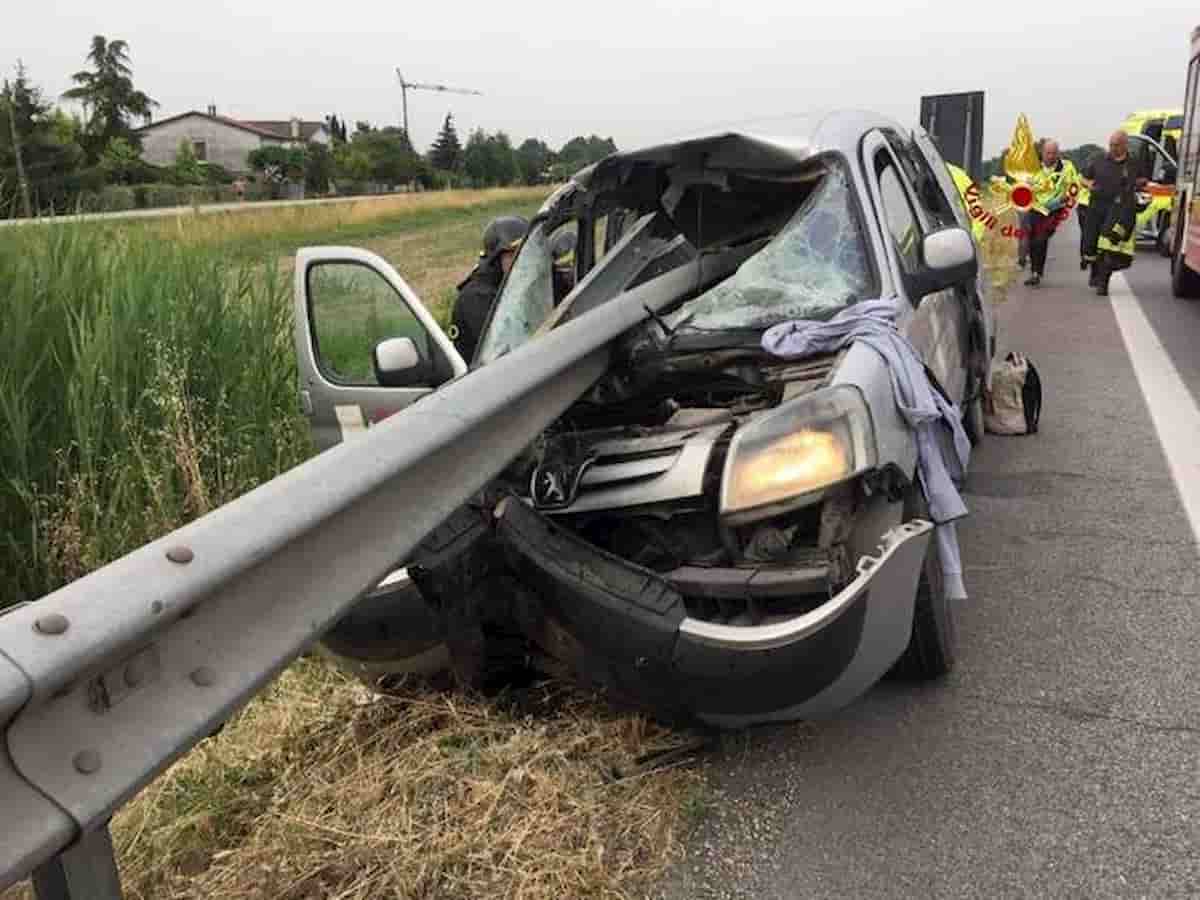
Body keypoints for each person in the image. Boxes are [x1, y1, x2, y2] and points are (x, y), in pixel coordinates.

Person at [449, 215, 528, 362]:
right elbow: (505, 352)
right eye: (514, 253)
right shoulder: (476, 298)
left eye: (525, 251)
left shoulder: (507, 284)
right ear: (496, 258)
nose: (521, 259)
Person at [1081, 131, 1147, 292]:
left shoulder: (1134, 163)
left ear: (1125, 145)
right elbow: (1083, 178)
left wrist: (1137, 184)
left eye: (1116, 145)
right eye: (1111, 144)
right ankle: (1095, 270)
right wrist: (1089, 185)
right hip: (1096, 207)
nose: (1112, 148)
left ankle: (1103, 281)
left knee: (1110, 244)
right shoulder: (1098, 160)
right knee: (1090, 245)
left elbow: (1145, 179)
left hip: (1119, 209)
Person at [1023, 140, 1076, 287]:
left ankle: (1036, 273)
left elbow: (1074, 185)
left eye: (1054, 153)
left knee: (1041, 238)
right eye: (1048, 153)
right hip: (1036, 208)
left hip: (1055, 209)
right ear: (1042, 153)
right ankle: (1034, 271)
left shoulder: (1067, 167)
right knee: (1032, 240)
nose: (1051, 156)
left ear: (1058, 153)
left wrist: (1066, 196)